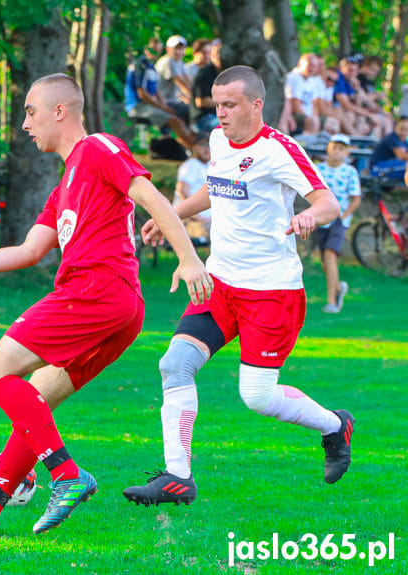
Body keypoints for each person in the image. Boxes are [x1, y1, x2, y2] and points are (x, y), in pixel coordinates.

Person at [0, 73, 211, 537]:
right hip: (117, 306)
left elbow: (152, 197)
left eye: (30, 111)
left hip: (95, 291)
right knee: (33, 407)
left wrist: (189, 259)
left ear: (60, 111)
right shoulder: (64, 187)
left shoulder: (98, 147)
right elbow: (28, 251)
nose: (25, 124)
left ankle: (65, 475)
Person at [123, 66, 354, 508]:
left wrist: (308, 215)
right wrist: (170, 216)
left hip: (271, 293)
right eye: (216, 105)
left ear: (255, 105)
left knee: (257, 397)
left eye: (229, 105)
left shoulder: (279, 149)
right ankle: (178, 477)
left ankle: (333, 425)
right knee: (174, 365)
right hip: (220, 283)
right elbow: (215, 188)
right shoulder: (217, 140)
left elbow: (329, 202)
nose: (220, 114)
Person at [314, 134, 361, 314]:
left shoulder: (350, 172)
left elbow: (356, 199)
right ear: (328, 148)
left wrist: (344, 216)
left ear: (347, 152)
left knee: (330, 254)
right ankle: (338, 289)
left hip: (339, 219)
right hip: (321, 218)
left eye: (341, 149)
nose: (337, 152)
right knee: (325, 261)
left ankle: (332, 301)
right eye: (335, 147)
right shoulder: (319, 169)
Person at [125, 38, 196, 149]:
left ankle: (188, 149)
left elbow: (157, 91)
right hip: (137, 107)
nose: (155, 53)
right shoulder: (140, 65)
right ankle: (197, 149)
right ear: (146, 49)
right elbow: (142, 95)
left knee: (179, 120)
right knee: (176, 121)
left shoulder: (151, 67)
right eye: (152, 50)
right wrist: (163, 107)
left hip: (151, 105)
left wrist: (165, 107)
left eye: (157, 51)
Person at [174, 133, 211, 239]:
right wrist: (197, 216)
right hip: (191, 218)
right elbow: (182, 190)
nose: (206, 148)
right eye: (202, 145)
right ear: (194, 148)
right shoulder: (190, 165)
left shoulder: (213, 165)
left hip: (210, 218)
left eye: (209, 145)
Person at [155, 35, 192, 124]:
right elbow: (181, 84)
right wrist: (194, 100)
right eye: (176, 48)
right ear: (168, 49)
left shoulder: (179, 62)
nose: (179, 52)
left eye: (181, 48)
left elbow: (188, 82)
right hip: (163, 102)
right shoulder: (168, 62)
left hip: (173, 100)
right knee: (191, 112)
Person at [369, 116, 408, 181]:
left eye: (406, 129)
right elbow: (402, 156)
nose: (404, 132)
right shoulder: (392, 138)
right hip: (378, 167)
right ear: (395, 127)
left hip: (390, 166)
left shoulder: (404, 141)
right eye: (402, 129)